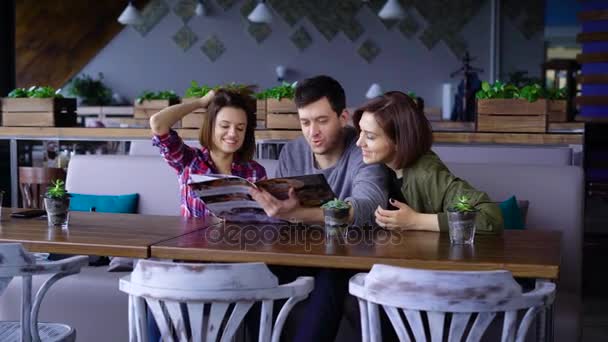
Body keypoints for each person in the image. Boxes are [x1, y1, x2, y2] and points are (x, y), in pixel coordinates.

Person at [249, 75, 390, 342]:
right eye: (305, 122)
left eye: (322, 121)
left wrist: (298, 214)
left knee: (333, 275)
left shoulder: (363, 150)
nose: (312, 131)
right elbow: (281, 221)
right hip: (299, 255)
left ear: (343, 117)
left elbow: (368, 205)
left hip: (349, 258)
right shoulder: (292, 153)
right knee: (253, 274)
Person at [353, 91, 503, 233]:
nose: (359, 143)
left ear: (399, 140)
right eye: (360, 132)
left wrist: (416, 220)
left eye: (370, 137)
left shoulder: (427, 173)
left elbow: (490, 217)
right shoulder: (377, 165)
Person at [150, 89, 266, 218]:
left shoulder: (255, 172)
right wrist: (200, 102)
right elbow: (158, 123)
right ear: (211, 127)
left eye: (240, 128)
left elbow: (262, 220)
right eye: (224, 126)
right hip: (192, 238)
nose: (233, 133)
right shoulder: (188, 160)